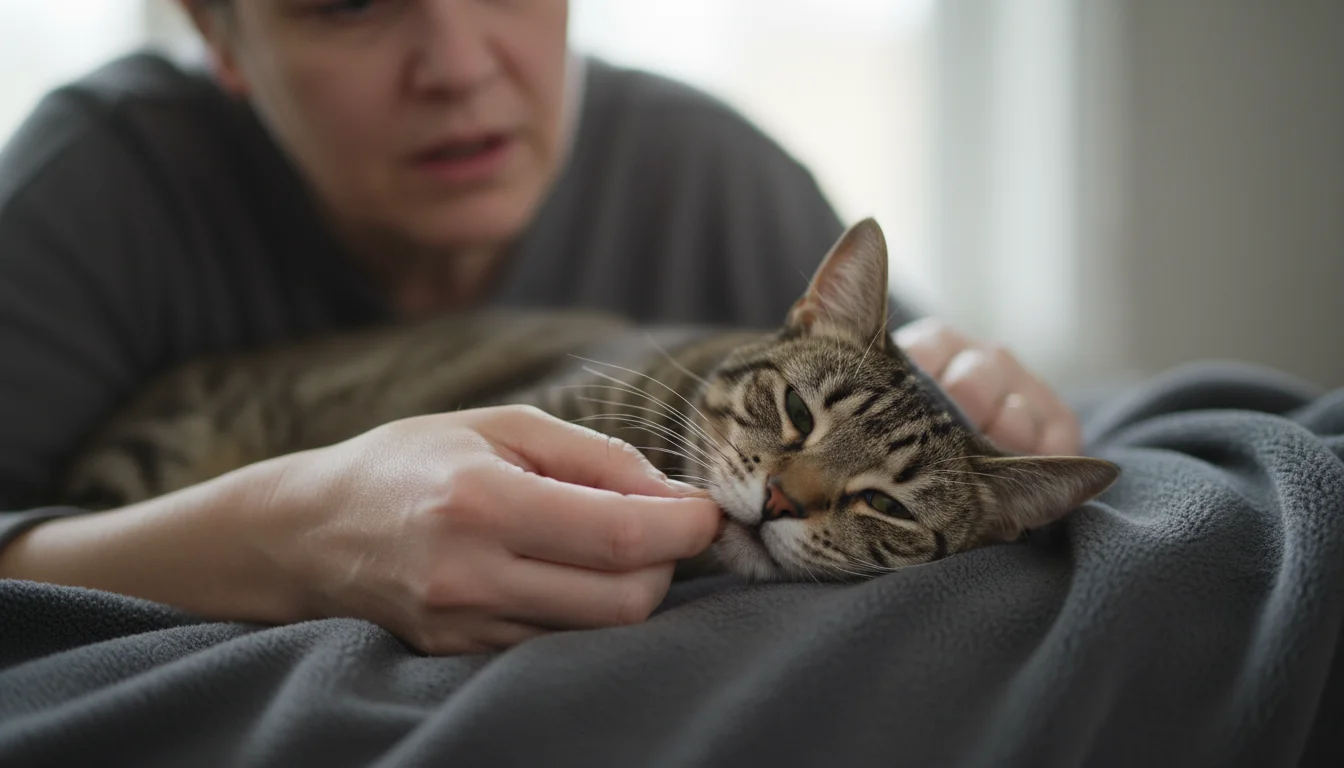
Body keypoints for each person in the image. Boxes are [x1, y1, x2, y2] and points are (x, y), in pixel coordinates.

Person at [0, 0, 1082, 655]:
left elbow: (922, 427)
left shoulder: (714, 171)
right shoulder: (92, 188)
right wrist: (282, 538)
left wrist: (989, 389)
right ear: (215, 31)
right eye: (349, 2)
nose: (461, 65)